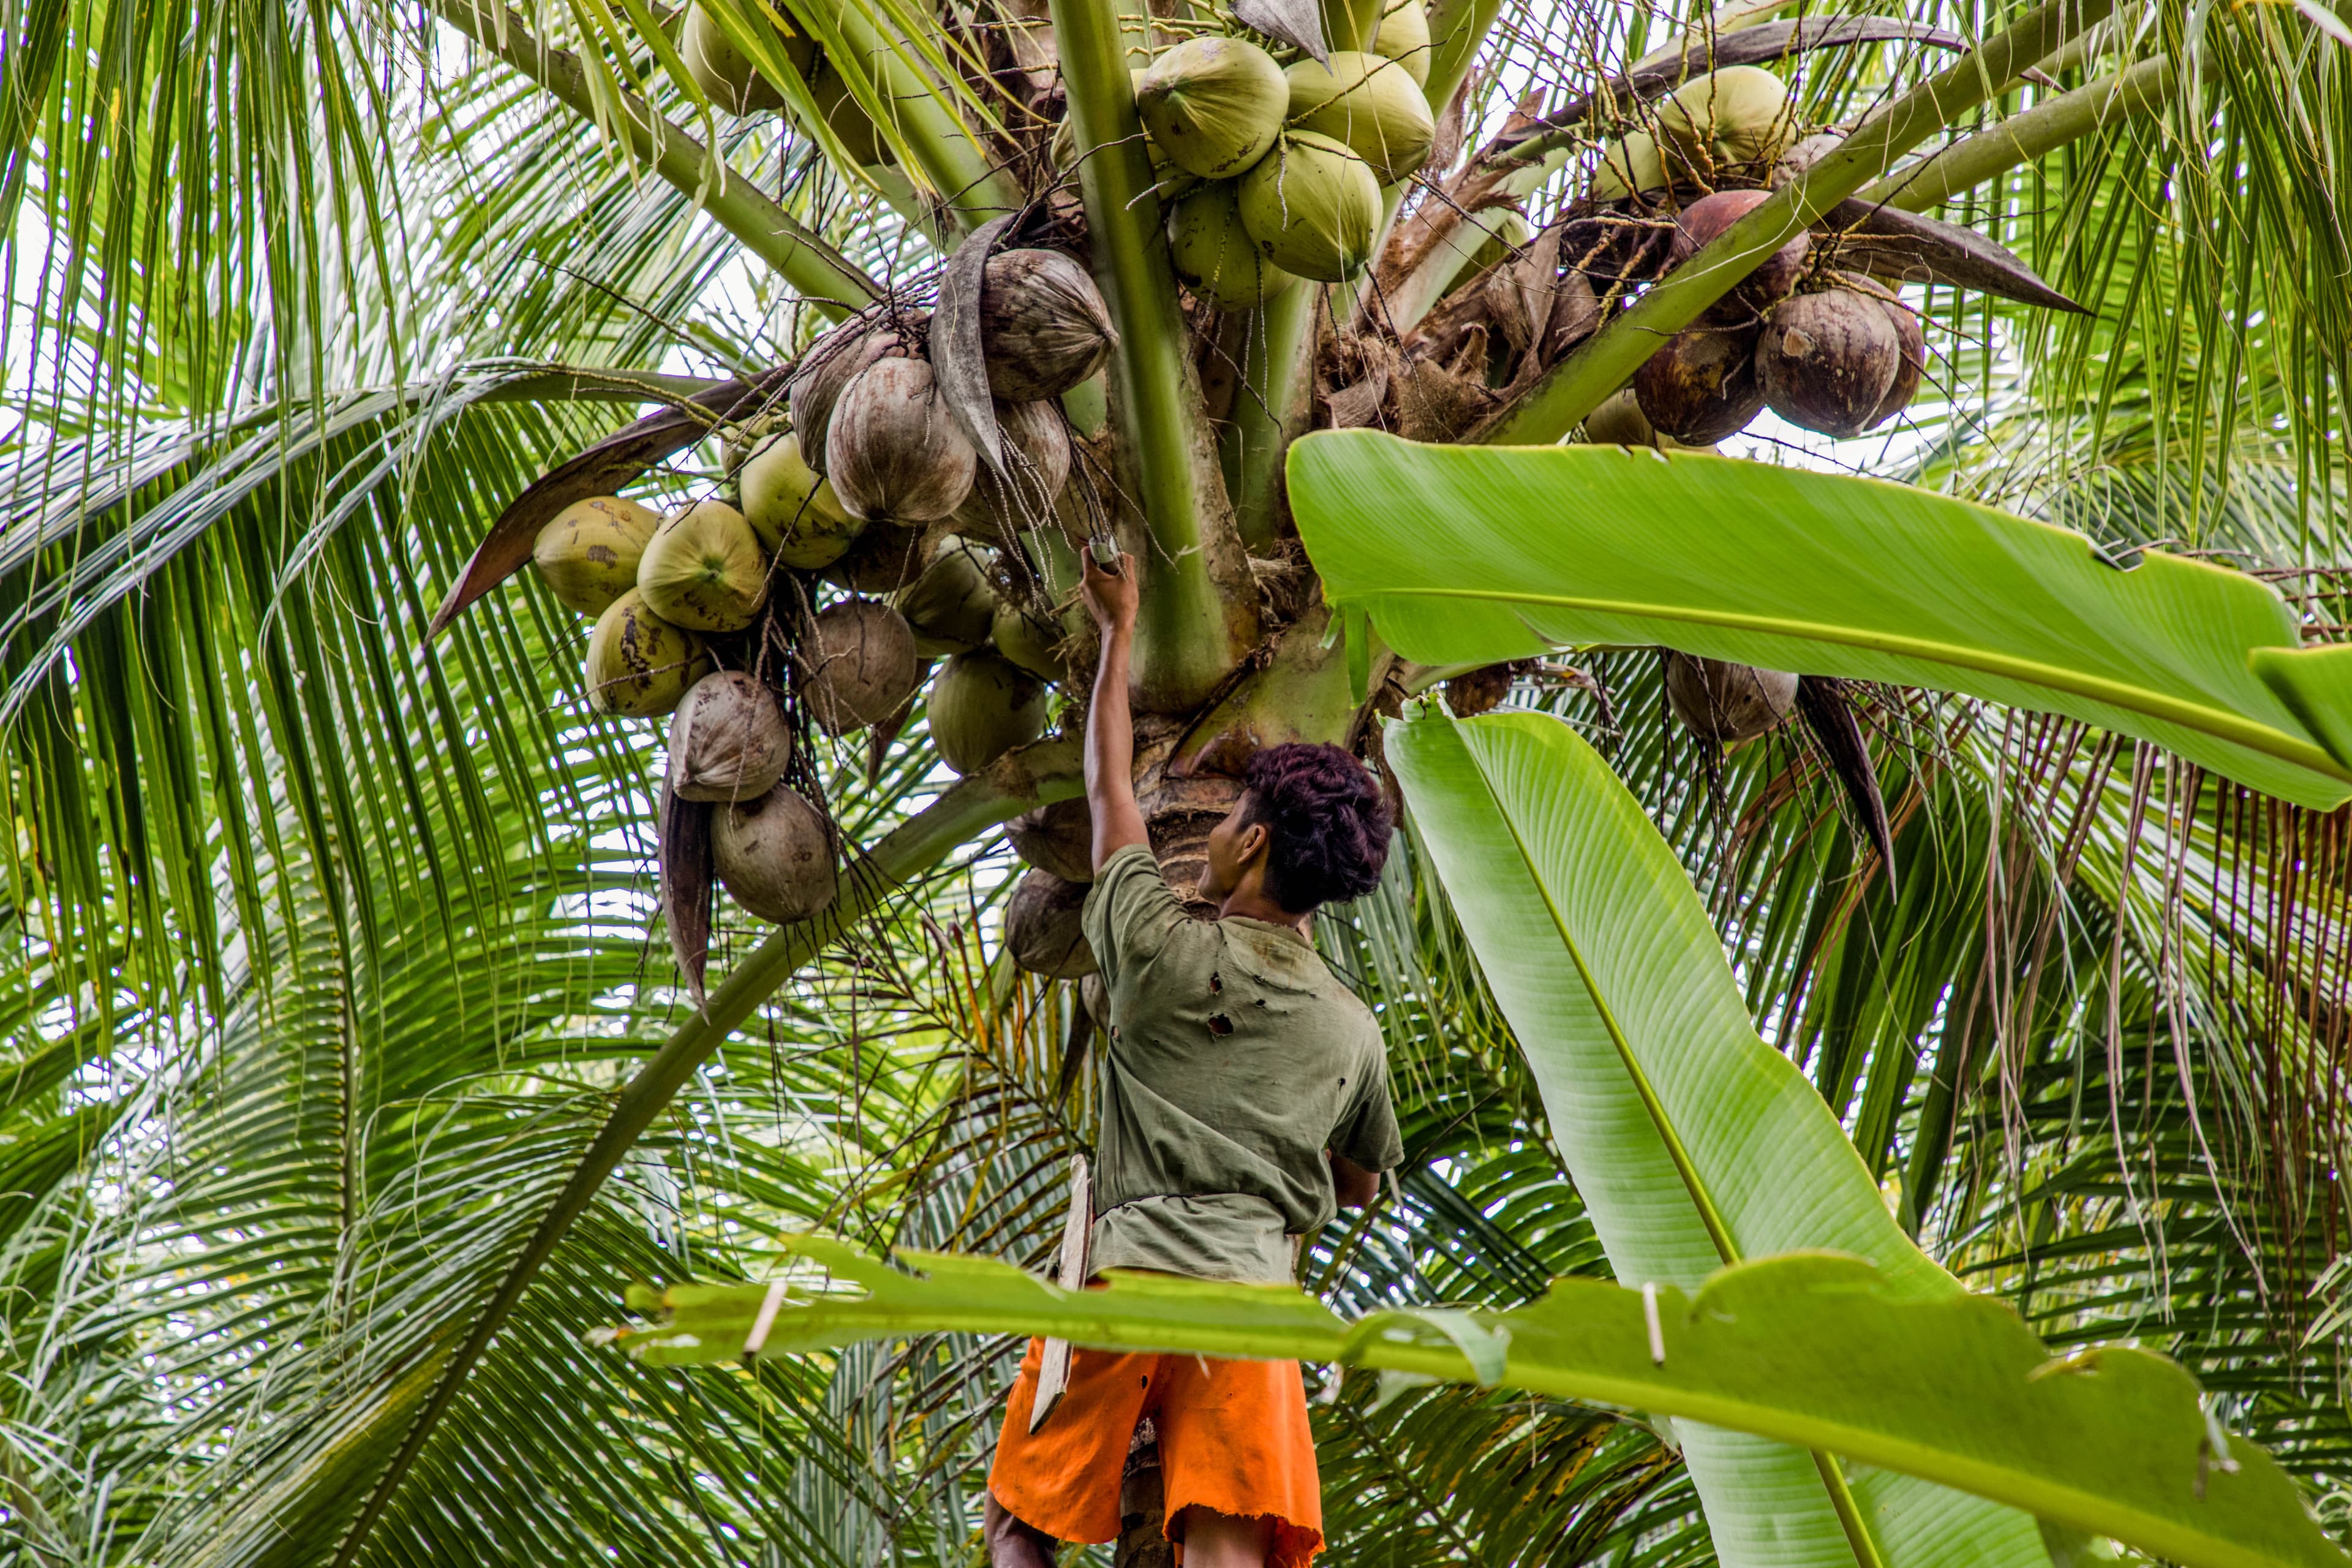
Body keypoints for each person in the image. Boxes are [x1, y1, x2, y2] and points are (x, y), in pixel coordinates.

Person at [983, 551, 1403, 1568]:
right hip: (1251, 1309)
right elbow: (1361, 1187)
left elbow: (1108, 787)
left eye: (1226, 819)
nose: (1213, 830)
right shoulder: (1350, 1031)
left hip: (1125, 1281)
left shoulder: (1159, 948)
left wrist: (1120, 627)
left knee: (1019, 1524)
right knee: (1226, 1558)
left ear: (1254, 843)